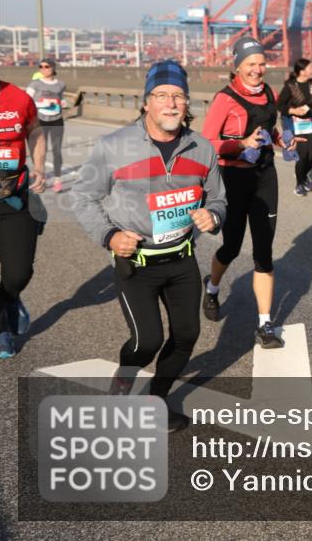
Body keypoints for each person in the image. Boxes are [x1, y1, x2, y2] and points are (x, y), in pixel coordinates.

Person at [72, 61, 226, 432]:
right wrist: (110, 237)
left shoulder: (202, 148)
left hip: (182, 261)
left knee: (187, 335)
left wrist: (213, 216)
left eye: (179, 96)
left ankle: (157, 398)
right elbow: (83, 198)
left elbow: (219, 198)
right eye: (162, 96)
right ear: (146, 103)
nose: (171, 103)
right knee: (146, 342)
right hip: (136, 264)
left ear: (187, 104)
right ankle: (122, 386)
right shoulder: (114, 146)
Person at [201, 36, 297, 348]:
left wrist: (284, 141)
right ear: (237, 66)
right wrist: (240, 144)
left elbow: (269, 131)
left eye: (261, 63)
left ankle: (265, 324)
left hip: (265, 176)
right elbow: (205, 145)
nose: (258, 69)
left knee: (264, 253)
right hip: (233, 179)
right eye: (251, 64)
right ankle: (212, 288)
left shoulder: (269, 92)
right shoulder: (224, 99)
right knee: (230, 247)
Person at [0, 81, 46, 359]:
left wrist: (39, 166)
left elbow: (35, 130)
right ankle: (1, 330)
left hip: (14, 194)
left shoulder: (18, 97)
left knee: (18, 273)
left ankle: (9, 298)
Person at [278, 58, 312, 197]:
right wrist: (293, 111)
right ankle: (299, 184)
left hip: (309, 121)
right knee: (303, 155)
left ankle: (302, 174)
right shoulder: (290, 86)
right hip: (293, 122)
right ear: (302, 71)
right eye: (310, 68)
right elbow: (279, 105)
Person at [25, 59, 67, 193]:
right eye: (41, 67)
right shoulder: (35, 84)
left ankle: (57, 180)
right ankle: (40, 176)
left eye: (46, 66)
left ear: (53, 68)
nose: (43, 69)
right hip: (40, 121)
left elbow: (62, 98)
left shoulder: (60, 85)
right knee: (40, 151)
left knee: (56, 150)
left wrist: (64, 103)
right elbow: (26, 101)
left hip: (57, 120)